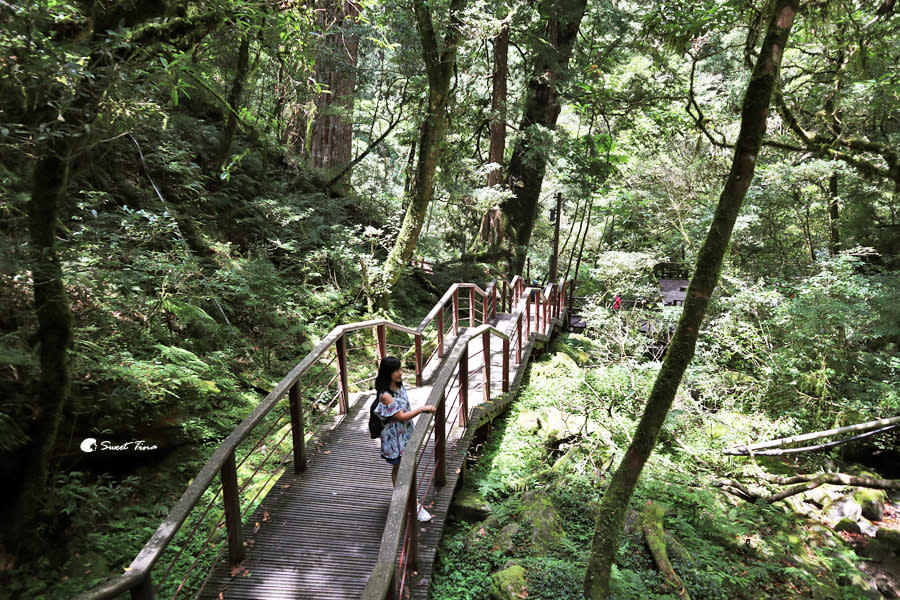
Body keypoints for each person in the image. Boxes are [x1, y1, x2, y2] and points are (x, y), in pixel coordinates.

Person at [373, 356, 437, 520]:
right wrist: (423, 409)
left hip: (404, 433)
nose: (401, 373)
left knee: (401, 468)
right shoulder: (385, 395)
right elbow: (401, 416)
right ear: (388, 373)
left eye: (400, 369)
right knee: (402, 468)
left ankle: (402, 497)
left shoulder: (398, 386)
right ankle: (412, 504)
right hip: (394, 438)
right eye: (397, 370)